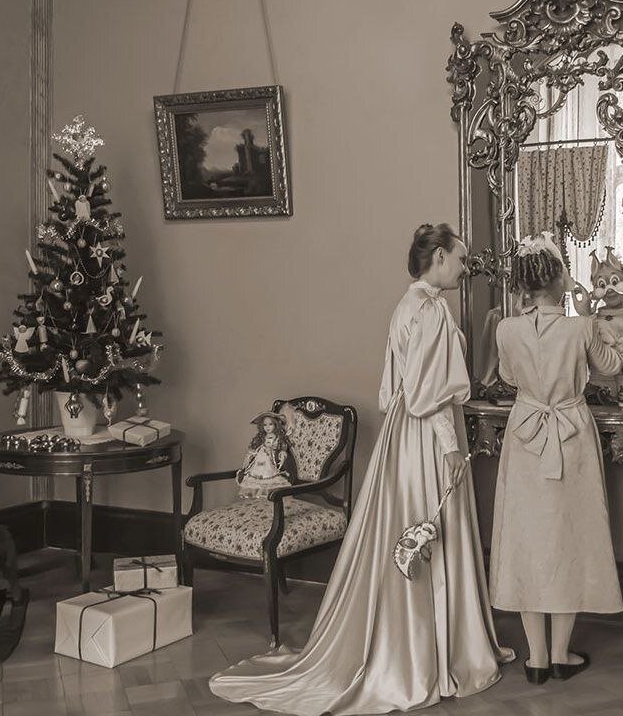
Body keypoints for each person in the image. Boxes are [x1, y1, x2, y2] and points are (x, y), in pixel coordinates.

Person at [210, 222, 513, 715]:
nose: (464, 268)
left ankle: (406, 644)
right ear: (438, 257)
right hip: (426, 434)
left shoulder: (406, 306)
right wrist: (450, 448)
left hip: (400, 434)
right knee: (430, 527)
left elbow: (394, 389)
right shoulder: (431, 311)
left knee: (406, 525)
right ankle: (430, 655)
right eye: (460, 259)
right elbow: (429, 394)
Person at [489, 232, 623, 685]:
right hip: (570, 435)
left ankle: (537, 658)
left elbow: (509, 376)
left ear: (525, 284)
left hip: (525, 434)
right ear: (559, 280)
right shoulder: (579, 327)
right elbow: (611, 368)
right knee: (569, 539)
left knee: (528, 541)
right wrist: (589, 318)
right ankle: (562, 654)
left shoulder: (506, 329)